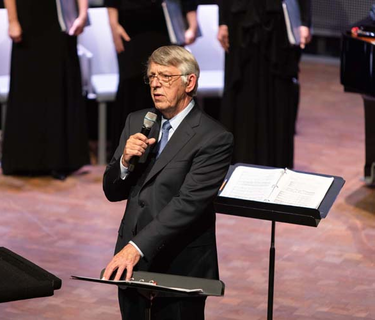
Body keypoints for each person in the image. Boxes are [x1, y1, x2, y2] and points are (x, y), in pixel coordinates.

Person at [102, 46, 233, 320]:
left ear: (190, 82)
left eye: (165, 76)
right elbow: (112, 191)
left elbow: (187, 204)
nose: (156, 84)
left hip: (179, 265)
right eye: (151, 77)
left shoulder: (213, 138)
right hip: (130, 265)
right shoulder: (138, 121)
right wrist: (125, 162)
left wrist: (135, 248)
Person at [217, 0, 312, 169]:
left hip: (279, 24)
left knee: (279, 94)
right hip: (240, 21)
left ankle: (277, 164)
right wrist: (223, 21)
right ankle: (239, 164)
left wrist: (305, 21)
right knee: (242, 94)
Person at [1, 0, 90, 180]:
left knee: (58, 89)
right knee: (28, 89)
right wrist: (12, 20)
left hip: (60, 19)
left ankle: (59, 161)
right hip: (29, 21)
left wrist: (83, 13)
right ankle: (25, 160)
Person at [104, 0, 199, 157]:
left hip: (164, 27)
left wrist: (192, 25)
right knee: (133, 87)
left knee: (167, 86)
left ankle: (167, 152)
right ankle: (128, 154)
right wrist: (113, 25)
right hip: (131, 30)